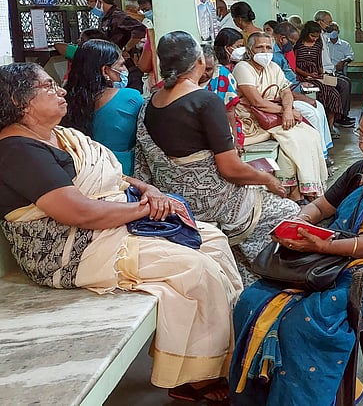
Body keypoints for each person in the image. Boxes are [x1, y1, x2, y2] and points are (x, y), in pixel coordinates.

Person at [0, 62, 242, 402]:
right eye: (48, 87)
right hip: (68, 250)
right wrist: (146, 208)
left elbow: (113, 177)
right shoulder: (17, 150)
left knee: (212, 240)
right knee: (195, 269)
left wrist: (148, 190)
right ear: (19, 101)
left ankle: (225, 354)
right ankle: (196, 376)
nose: (61, 90)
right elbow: (79, 212)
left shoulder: (60, 136)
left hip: (105, 228)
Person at [229, 98, 363, 406]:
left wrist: (325, 246)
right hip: (335, 260)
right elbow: (323, 206)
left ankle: (320, 396)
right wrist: (301, 220)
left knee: (304, 321)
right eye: (361, 136)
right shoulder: (362, 169)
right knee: (251, 299)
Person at [134, 31, 303, 284]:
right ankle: (276, 280)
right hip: (211, 201)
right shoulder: (206, 101)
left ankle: (240, 277)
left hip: (173, 197)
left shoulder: (150, 103)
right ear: (199, 61)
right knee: (288, 210)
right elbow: (230, 169)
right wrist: (267, 180)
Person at [233, 32, 328, 199]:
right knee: (294, 139)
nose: (265, 51)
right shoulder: (243, 68)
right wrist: (285, 112)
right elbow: (257, 102)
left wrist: (289, 110)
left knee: (311, 135)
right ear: (250, 50)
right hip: (251, 121)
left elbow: (286, 92)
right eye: (259, 47)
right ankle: (295, 191)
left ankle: (301, 189)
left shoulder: (273, 67)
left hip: (273, 117)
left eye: (268, 47)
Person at [62, 39, 142, 175]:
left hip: (82, 172)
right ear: (105, 71)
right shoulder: (130, 98)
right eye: (122, 65)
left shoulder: (65, 100)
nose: (125, 70)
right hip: (123, 173)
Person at [271, 21, 333, 155]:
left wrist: (300, 85)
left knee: (319, 107)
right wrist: (303, 98)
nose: (293, 46)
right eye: (292, 43)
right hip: (286, 96)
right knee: (312, 113)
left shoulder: (280, 53)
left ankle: (324, 150)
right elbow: (281, 88)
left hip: (295, 88)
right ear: (282, 38)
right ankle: (317, 153)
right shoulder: (273, 56)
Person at [86, 0, 147, 92]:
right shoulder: (106, 17)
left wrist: (126, 49)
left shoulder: (118, 16)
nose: (88, 5)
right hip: (112, 66)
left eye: (89, 1)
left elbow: (140, 29)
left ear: (99, 1)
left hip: (125, 67)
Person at [293, 21, 348, 131]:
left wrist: (321, 73)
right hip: (302, 76)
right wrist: (308, 74)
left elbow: (318, 62)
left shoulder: (318, 44)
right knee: (324, 91)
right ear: (306, 33)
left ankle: (330, 127)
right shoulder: (298, 45)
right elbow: (294, 66)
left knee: (334, 93)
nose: (314, 39)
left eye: (317, 37)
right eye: (312, 36)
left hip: (316, 75)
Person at [313, 11, 355, 128]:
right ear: (320, 22)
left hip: (330, 71)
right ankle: (340, 117)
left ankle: (342, 115)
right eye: (329, 22)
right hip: (323, 74)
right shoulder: (317, 38)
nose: (330, 25)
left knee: (346, 81)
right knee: (343, 85)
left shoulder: (324, 36)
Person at [202, 40, 244, 150]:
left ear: (215, 67)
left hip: (221, 126)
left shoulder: (222, 75)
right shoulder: (184, 80)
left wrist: (234, 142)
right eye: (200, 69)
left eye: (208, 69)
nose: (203, 74)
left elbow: (229, 111)